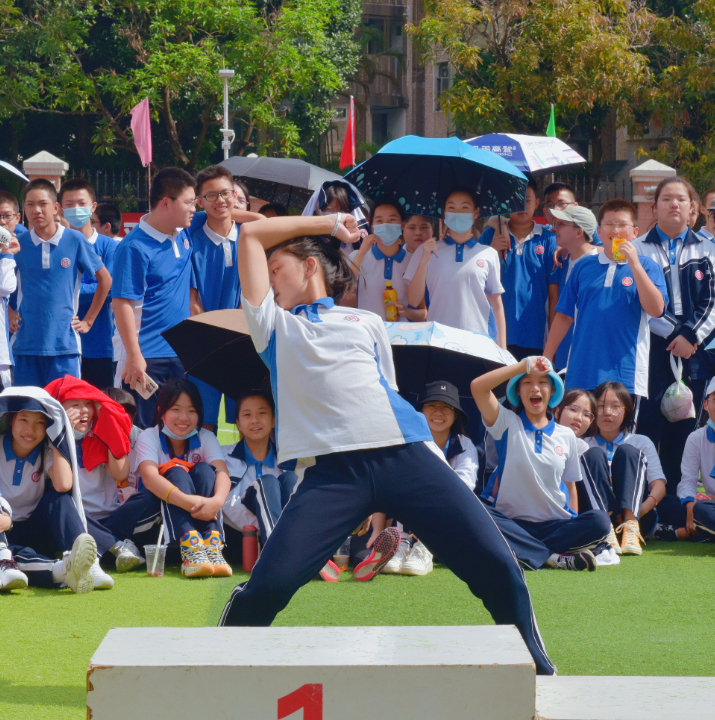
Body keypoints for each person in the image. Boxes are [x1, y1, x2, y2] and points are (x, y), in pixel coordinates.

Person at [217, 211, 556, 676]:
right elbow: (252, 234)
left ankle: (539, 671)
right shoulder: (274, 325)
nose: (270, 279)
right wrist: (327, 224)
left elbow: (387, 390)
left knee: (495, 563)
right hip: (331, 475)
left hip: (406, 454)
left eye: (279, 269)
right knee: (268, 587)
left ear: (310, 267)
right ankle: (216, 667)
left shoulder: (365, 319)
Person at [472, 356, 611, 573]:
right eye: (527, 382)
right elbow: (478, 387)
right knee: (477, 511)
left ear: (552, 391)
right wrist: (522, 366)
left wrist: (573, 526)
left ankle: (525, 553)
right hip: (512, 524)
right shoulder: (506, 423)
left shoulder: (566, 435)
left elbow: (570, 484)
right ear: (518, 391)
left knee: (600, 521)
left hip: (555, 525)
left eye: (543, 382)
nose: (535, 388)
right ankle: (553, 558)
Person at [633, 177, 715, 496]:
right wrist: (674, 335)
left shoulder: (707, 249)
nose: (674, 204)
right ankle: (646, 503)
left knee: (684, 431)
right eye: (666, 199)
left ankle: (679, 508)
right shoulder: (638, 249)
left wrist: (691, 337)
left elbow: (712, 301)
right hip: (652, 351)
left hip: (695, 354)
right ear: (654, 207)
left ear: (692, 208)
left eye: (681, 199)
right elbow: (641, 302)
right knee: (648, 426)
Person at [544, 199, 668, 400]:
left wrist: (634, 265)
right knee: (579, 429)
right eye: (609, 224)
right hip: (581, 372)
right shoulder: (583, 266)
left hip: (625, 375)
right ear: (599, 231)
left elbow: (656, 310)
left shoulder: (647, 266)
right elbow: (564, 316)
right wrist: (547, 356)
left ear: (635, 232)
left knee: (619, 431)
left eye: (622, 225)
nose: (615, 230)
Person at [46, 375, 160, 575]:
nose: (83, 411)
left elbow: (120, 474)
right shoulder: (51, 443)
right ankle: (115, 547)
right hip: (79, 519)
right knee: (56, 498)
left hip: (110, 517)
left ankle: (100, 548)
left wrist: (109, 427)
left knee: (150, 498)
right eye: (74, 405)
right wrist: (63, 435)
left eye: (88, 404)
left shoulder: (100, 434)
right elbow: (63, 485)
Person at [111, 168, 196, 428]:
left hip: (179, 352)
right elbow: (122, 302)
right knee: (141, 430)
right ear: (166, 202)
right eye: (190, 202)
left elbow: (223, 214)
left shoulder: (184, 233)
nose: (195, 208)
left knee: (175, 429)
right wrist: (134, 356)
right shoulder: (133, 247)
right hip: (146, 356)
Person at [0, 387, 100, 592]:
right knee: (14, 555)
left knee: (59, 497)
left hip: (32, 527)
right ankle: (63, 569)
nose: (30, 430)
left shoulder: (45, 451)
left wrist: (59, 437)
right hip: (2, 529)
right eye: (24, 420)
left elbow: (63, 484)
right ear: (11, 420)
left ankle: (90, 565)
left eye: (40, 423)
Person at [13, 179, 111, 388]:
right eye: (29, 204)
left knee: (65, 412)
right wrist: (10, 312)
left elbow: (106, 280)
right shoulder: (18, 244)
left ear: (56, 207)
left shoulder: (74, 239)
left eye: (42, 204)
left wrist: (88, 321)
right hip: (24, 345)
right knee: (27, 414)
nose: (36, 210)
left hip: (65, 346)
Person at [136, 379, 232, 578]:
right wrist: (190, 503)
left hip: (203, 515)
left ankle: (212, 544)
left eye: (191, 410)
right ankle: (190, 548)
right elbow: (149, 478)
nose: (184, 417)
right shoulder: (149, 436)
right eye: (176, 409)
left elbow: (222, 473)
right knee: (177, 471)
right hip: (157, 523)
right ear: (162, 412)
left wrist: (216, 502)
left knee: (206, 470)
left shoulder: (206, 437)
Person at [385, 380, 478, 577]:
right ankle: (402, 541)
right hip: (411, 512)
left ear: (455, 415)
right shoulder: (408, 441)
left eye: (446, 407)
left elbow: (465, 487)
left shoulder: (465, 444)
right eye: (432, 405)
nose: (438, 412)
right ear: (421, 412)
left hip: (450, 513)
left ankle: (425, 547)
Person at [404, 188, 506, 344]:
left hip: (480, 343)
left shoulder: (488, 253)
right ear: (444, 213)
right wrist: (424, 259)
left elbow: (497, 305)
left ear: (475, 213)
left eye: (464, 208)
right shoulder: (426, 250)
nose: (458, 213)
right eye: (451, 208)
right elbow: (413, 299)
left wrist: (502, 348)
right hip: (438, 341)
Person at [580, 382, 666, 556]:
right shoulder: (583, 444)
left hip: (639, 516)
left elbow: (659, 486)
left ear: (626, 409)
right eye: (601, 406)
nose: (607, 412)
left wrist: (639, 511)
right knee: (594, 454)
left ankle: (630, 527)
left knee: (628, 451)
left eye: (615, 406)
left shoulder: (641, 441)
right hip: (597, 517)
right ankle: (605, 530)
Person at [189, 165, 244, 430]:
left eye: (225, 193)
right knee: (205, 420)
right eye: (211, 195)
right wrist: (208, 338)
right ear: (200, 201)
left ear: (235, 195)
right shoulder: (190, 242)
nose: (220, 200)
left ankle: (252, 471)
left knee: (251, 418)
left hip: (244, 342)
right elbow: (193, 299)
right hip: (205, 345)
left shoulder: (251, 238)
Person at [479, 179, 560, 359]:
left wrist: (552, 344)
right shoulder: (490, 235)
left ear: (537, 203)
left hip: (535, 334)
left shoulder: (548, 240)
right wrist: (492, 250)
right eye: (515, 200)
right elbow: (475, 279)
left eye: (528, 200)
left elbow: (554, 294)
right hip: (495, 331)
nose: (521, 206)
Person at [59, 178, 118, 390]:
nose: (76, 209)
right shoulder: (55, 245)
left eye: (82, 203)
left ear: (93, 207)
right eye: (69, 204)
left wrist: (68, 291)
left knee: (100, 408)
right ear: (59, 208)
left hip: (100, 345)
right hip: (62, 344)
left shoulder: (109, 246)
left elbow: (111, 289)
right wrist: (93, 287)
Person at [651, 376, 715, 542]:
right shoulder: (696, 438)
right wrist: (690, 506)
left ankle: (696, 531)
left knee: (703, 511)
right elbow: (687, 481)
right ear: (706, 405)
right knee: (659, 504)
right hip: (708, 508)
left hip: (708, 507)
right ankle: (705, 529)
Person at [346, 201, 425, 322]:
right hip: (368, 335)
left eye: (392, 220)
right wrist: (362, 252)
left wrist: (406, 311)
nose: (385, 225)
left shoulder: (412, 262)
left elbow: (423, 313)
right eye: (379, 221)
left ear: (402, 225)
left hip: (401, 337)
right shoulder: (357, 256)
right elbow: (344, 292)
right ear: (372, 227)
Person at [547, 206, 601, 369]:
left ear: (579, 232)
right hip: (567, 351)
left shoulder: (600, 262)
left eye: (561, 224)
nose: (554, 228)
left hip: (591, 356)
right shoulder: (565, 258)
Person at [302, 179, 369, 253]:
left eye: (341, 211)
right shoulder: (305, 244)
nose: (336, 216)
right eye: (328, 209)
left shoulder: (355, 244)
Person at [104, 386, 142, 503]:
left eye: (123, 416)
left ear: (133, 417)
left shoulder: (143, 439)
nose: (117, 422)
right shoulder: (92, 439)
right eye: (112, 416)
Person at [542, 182, 602, 246]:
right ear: (544, 211)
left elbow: (612, 253)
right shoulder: (542, 233)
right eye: (550, 205)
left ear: (575, 207)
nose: (555, 209)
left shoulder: (590, 228)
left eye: (561, 204)